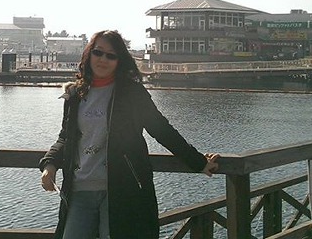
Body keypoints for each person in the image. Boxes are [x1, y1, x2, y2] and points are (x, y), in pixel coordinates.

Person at [40, 30, 219, 239]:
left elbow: (162, 130)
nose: (103, 59)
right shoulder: (75, 94)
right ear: (89, 54)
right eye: (98, 52)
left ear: (119, 61)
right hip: (78, 190)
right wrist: (49, 165)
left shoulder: (132, 93)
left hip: (121, 190)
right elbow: (66, 137)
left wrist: (198, 162)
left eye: (111, 55)